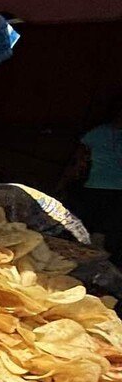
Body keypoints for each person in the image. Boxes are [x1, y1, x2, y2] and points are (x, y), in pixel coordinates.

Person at [70, 102, 122, 262]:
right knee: (91, 227)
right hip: (97, 185)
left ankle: (102, 262)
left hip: (115, 188)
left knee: (109, 228)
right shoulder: (99, 132)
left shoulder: (98, 132)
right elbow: (80, 154)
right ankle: (84, 260)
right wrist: (79, 169)